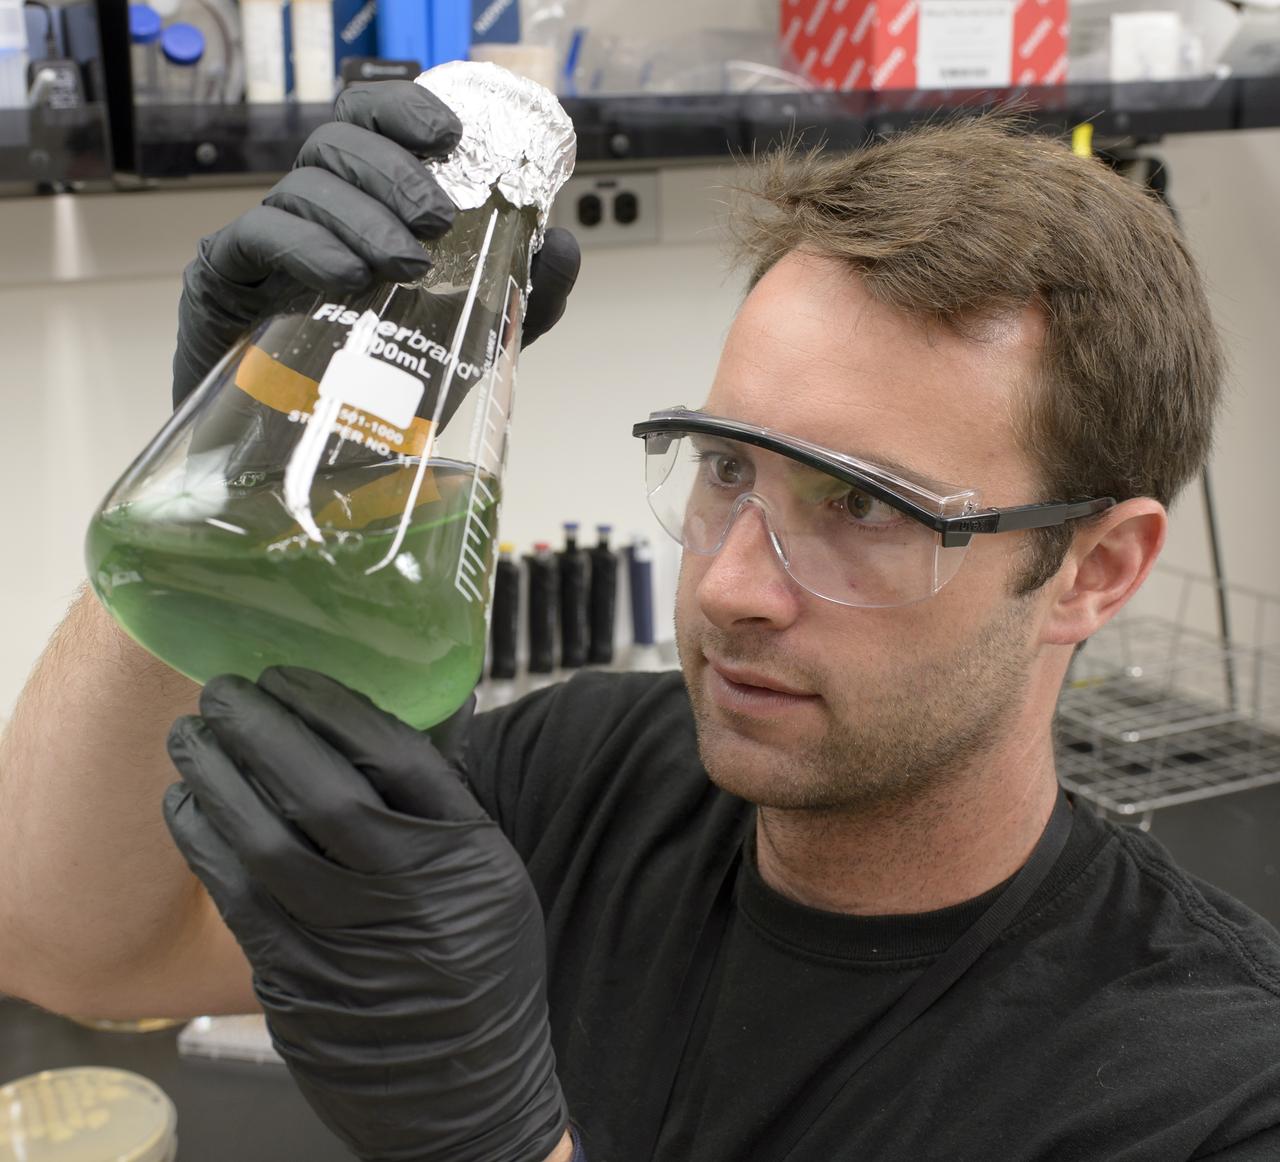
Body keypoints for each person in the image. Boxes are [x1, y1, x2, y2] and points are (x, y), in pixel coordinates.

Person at [2, 78, 1279, 1162]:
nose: (729, 586)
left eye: (865, 509)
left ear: (1095, 571)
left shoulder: (1209, 1087)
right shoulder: (591, 774)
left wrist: (498, 1140)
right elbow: (68, 946)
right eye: (726, 468)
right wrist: (226, 463)